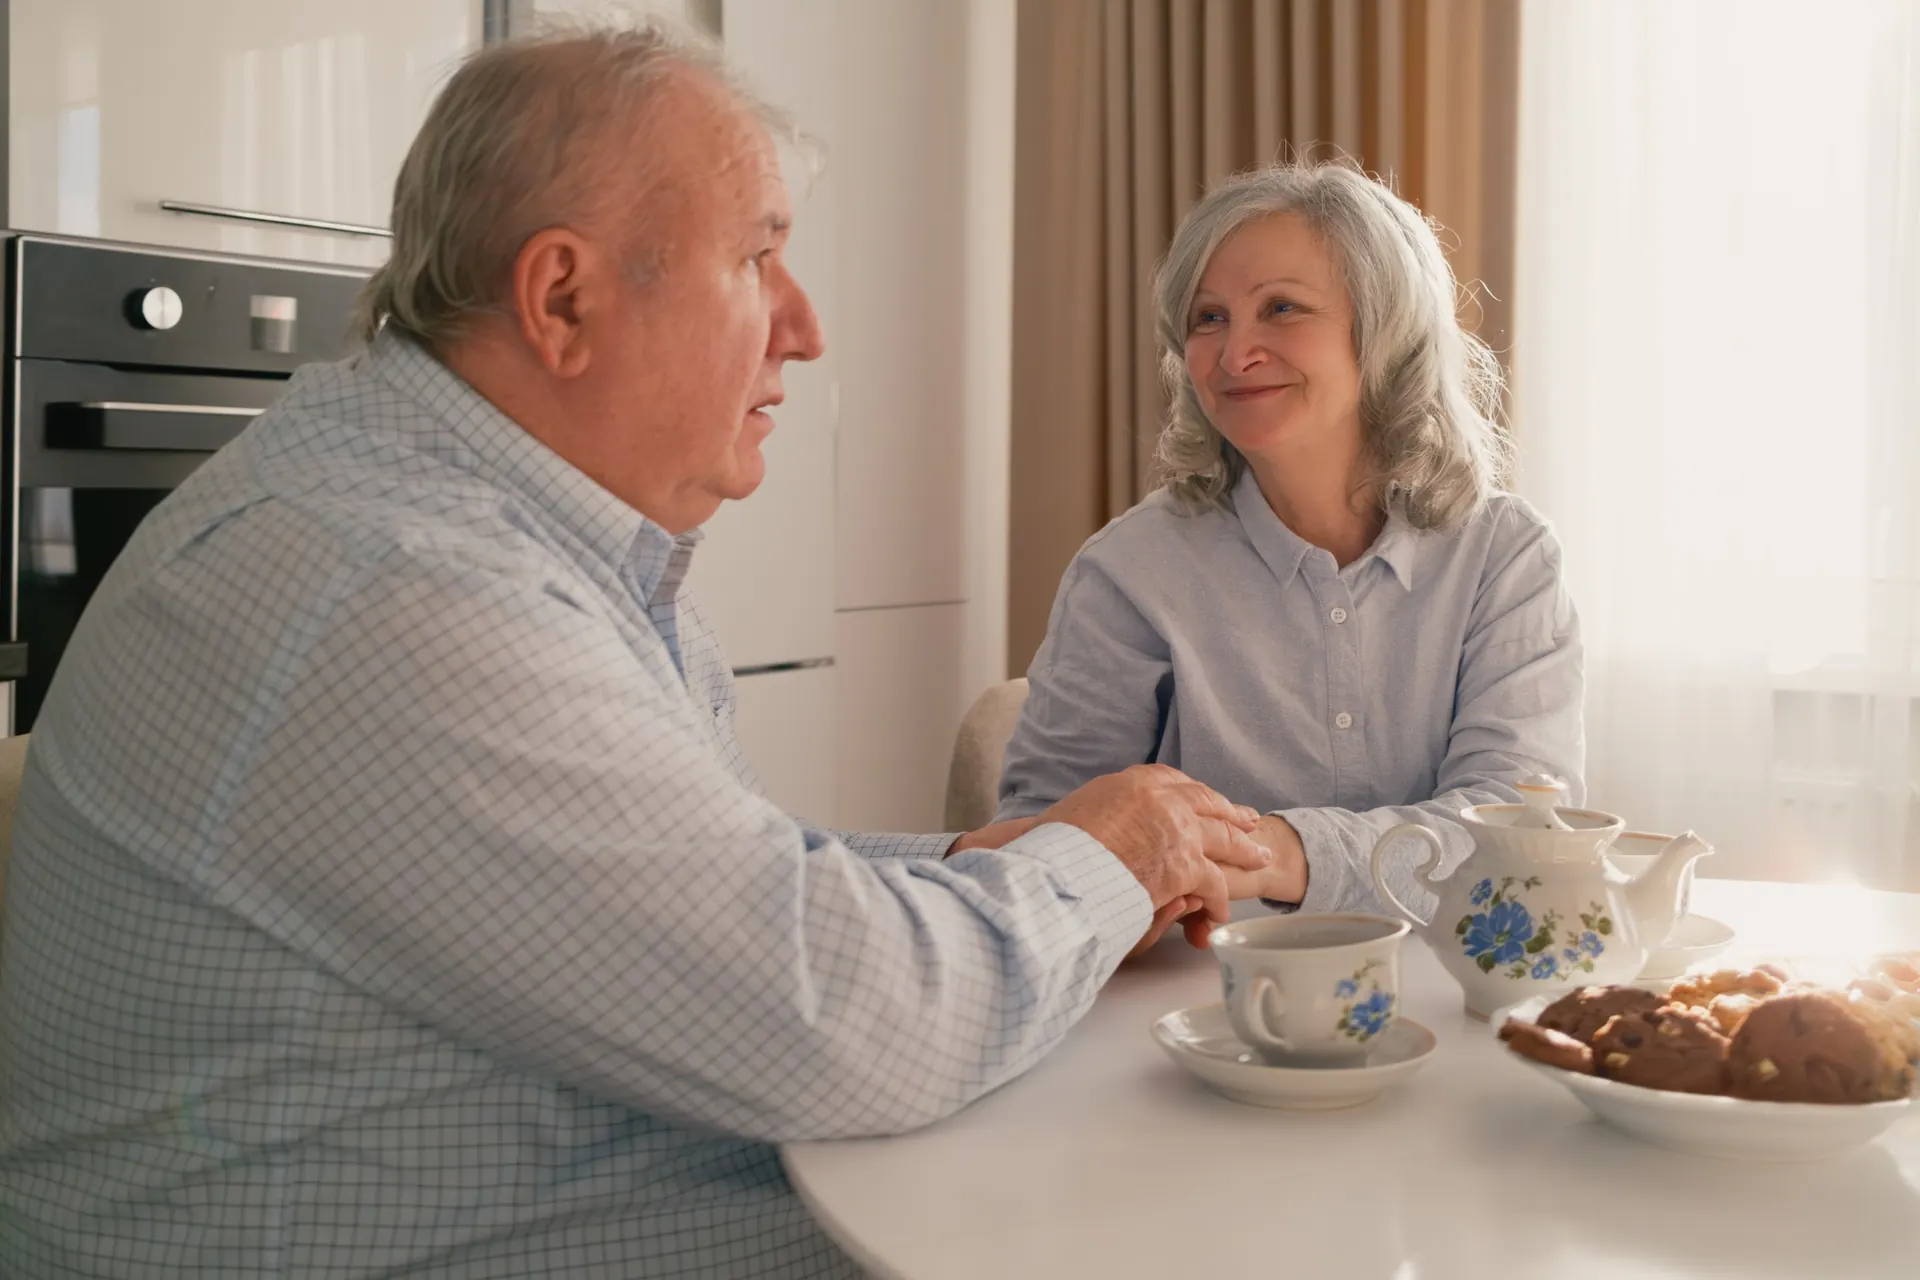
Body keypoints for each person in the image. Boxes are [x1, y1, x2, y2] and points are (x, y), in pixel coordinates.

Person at [0, 23, 1274, 1279]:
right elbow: (843, 1022)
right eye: (760, 257)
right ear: (564, 298)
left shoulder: (517, 536)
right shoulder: (403, 587)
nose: (807, 325)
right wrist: (1103, 858)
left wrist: (967, 863)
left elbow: (719, 887)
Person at [998, 161, 1583, 924]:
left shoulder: (1506, 557)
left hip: (1450, 992)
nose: (1234, 355)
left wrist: (1275, 852)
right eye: (1208, 318)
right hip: (1198, 1003)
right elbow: (1048, 847)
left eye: (1281, 308)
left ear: (1385, 331)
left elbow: (1515, 835)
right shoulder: (1128, 572)